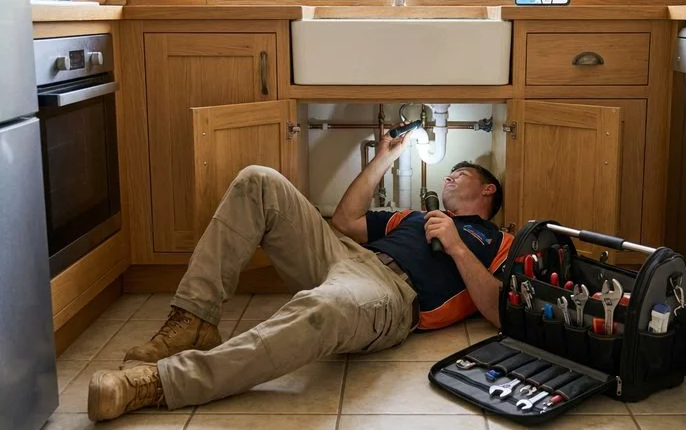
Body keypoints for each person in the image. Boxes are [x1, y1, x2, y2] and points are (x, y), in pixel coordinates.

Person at [87, 124, 514, 422]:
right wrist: (384, 158)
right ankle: (192, 321)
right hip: (344, 255)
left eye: (463, 173)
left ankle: (163, 384)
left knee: (323, 306)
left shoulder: (497, 241)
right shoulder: (415, 216)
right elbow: (345, 223)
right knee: (259, 180)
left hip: (390, 294)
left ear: (488, 189)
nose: (452, 175)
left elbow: (497, 311)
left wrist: (456, 246)